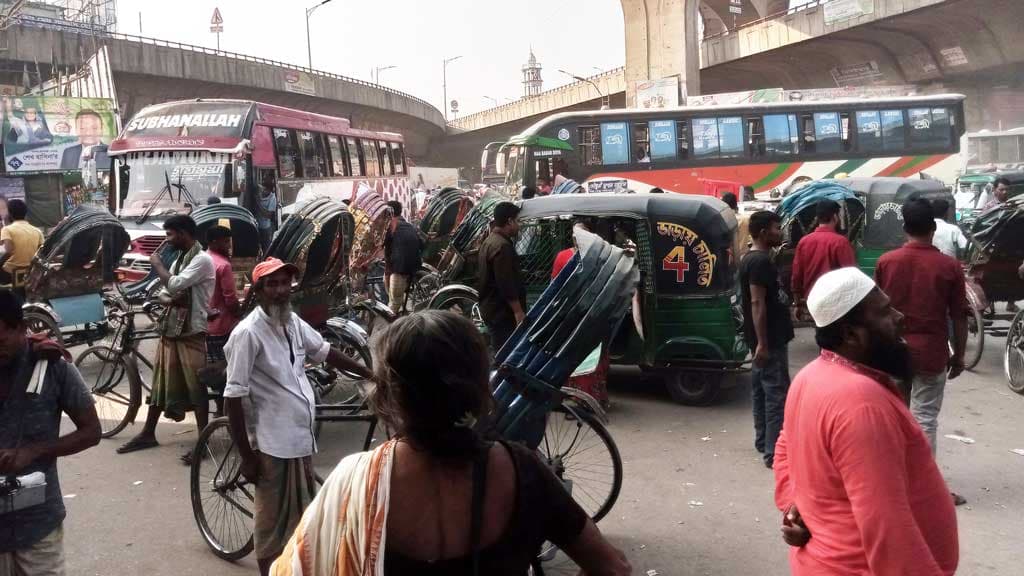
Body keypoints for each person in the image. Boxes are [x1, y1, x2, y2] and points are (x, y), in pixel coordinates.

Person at [271, 311, 631, 576]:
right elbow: (612, 568)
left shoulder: (353, 481)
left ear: (390, 394)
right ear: (476, 386)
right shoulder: (521, 470)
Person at [773, 267, 958, 575]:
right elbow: (887, 527)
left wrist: (794, 505)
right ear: (850, 335)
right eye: (885, 312)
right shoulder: (859, 401)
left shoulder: (811, 375)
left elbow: (783, 451)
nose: (899, 317)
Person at [222, 257, 374, 576]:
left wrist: (369, 373)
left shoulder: (291, 322)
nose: (280, 290)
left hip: (299, 439)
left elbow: (325, 351)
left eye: (284, 283)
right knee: (271, 530)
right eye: (272, 284)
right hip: (272, 443)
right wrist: (247, 457)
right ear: (258, 291)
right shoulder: (248, 333)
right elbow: (233, 398)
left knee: (301, 524)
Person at [0, 288, 101, 575]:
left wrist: (35, 451)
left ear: (21, 328)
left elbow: (92, 431)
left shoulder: (52, 367)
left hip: (38, 527)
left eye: (1, 340)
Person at [874, 198, 968, 503]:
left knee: (896, 417)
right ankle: (924, 489)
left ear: (904, 228)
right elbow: (958, 315)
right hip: (931, 353)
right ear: (932, 228)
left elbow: (877, 311)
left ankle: (894, 483)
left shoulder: (886, 262)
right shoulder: (949, 266)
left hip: (893, 353)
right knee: (925, 419)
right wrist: (960, 354)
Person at [117, 215, 215, 457]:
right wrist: (171, 297)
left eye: (170, 234)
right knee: (160, 384)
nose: (168, 240)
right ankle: (148, 433)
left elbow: (175, 283)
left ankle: (202, 443)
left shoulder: (201, 260)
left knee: (197, 387)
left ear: (183, 233)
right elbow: (163, 292)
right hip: (172, 330)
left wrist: (157, 265)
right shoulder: (181, 259)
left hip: (191, 331)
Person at [738, 211, 793, 468]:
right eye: (775, 228)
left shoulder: (751, 258)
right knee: (775, 394)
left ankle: (763, 441)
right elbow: (757, 302)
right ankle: (774, 452)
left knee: (761, 391)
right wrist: (762, 342)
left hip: (762, 338)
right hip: (769, 339)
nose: (779, 231)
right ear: (763, 233)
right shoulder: (759, 262)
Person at [789, 199, 856, 313]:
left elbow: (796, 275)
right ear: (835, 217)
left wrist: (797, 303)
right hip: (836, 303)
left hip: (813, 302)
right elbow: (852, 275)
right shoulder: (840, 242)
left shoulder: (804, 241)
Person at [477, 202, 525, 352]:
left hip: (491, 309)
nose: (519, 225)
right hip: (501, 313)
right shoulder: (502, 246)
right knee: (505, 355)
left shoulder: (490, 241)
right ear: (510, 221)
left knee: (500, 350)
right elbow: (505, 283)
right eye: (518, 221)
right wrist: (518, 311)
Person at [205, 226, 241, 367]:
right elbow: (230, 299)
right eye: (226, 242)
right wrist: (239, 313)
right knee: (227, 365)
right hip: (222, 324)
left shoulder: (203, 258)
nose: (229, 246)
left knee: (213, 362)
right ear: (214, 242)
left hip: (205, 324)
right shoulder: (223, 265)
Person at [383, 201, 423, 314]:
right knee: (391, 290)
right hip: (413, 266)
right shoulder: (410, 226)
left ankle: (393, 325)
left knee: (394, 304)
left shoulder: (391, 226)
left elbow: (379, 244)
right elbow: (421, 244)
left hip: (400, 269)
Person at [0, 199, 43, 295]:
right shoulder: (37, 231)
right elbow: (41, 251)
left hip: (11, 271)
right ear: (25, 213)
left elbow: (9, 250)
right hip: (31, 270)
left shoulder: (7, 230)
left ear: (10, 213)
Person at [257, 173, 279, 252]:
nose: (263, 191)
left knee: (266, 249)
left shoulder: (272, 198)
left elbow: (268, 215)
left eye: (265, 190)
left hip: (266, 227)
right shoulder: (259, 195)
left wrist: (258, 204)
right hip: (256, 226)